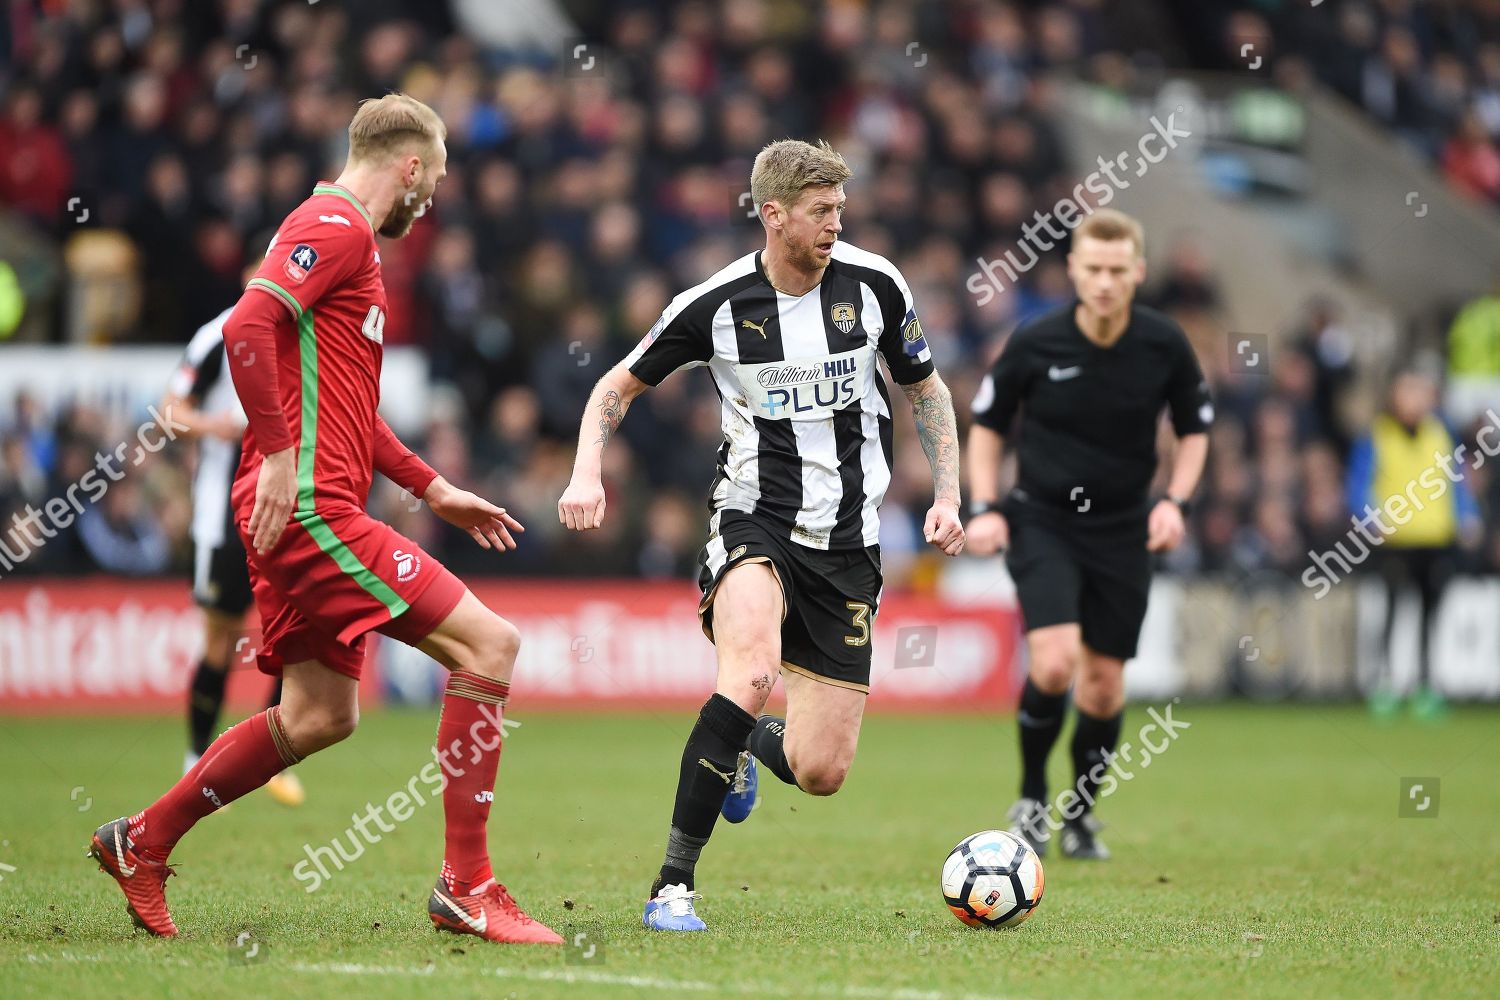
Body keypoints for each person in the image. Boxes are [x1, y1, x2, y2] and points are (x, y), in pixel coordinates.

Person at [88, 94, 561, 945]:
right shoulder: (334, 224)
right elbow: (246, 328)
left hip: (311, 497)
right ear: (411, 167)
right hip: (308, 504)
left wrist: (432, 487)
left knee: (318, 716)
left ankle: (141, 842)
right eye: (437, 177)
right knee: (491, 646)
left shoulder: (345, 247)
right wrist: (276, 453)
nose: (433, 198)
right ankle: (469, 886)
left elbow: (353, 410)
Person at [559, 139, 965, 931]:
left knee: (821, 770)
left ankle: (748, 744)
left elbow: (928, 390)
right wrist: (585, 470)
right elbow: (616, 387)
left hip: (849, 544)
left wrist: (949, 491)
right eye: (819, 212)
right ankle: (672, 886)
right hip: (755, 520)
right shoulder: (714, 304)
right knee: (747, 673)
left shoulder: (875, 284)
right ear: (772, 214)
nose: (834, 225)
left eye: (840, 210)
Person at [966, 209, 1210, 861]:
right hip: (1042, 519)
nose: (1104, 282)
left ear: (1138, 272)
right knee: (1052, 662)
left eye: (1116, 270)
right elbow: (987, 425)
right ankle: (1029, 798)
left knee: (1103, 684)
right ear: (1073, 269)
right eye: (1092, 269)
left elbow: (1194, 429)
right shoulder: (1035, 341)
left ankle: (1078, 815)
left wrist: (1176, 502)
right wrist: (985, 504)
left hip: (1124, 528)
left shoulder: (1164, 345)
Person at [162, 262, 303, 807]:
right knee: (221, 637)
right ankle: (196, 759)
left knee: (295, 632)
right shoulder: (218, 334)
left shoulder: (299, 333)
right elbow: (171, 411)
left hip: (290, 507)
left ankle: (271, 762)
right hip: (224, 514)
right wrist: (213, 426)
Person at [1345, 368, 1481, 722]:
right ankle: (1386, 685)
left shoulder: (1441, 433)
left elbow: (1456, 480)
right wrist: (1369, 518)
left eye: (1420, 393)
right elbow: (1359, 484)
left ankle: (1426, 686)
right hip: (1396, 539)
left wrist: (1467, 514)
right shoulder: (1376, 435)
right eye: (1408, 393)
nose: (1415, 401)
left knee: (1430, 615)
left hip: (1435, 538)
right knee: (1391, 612)